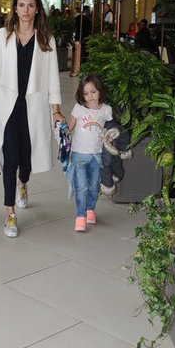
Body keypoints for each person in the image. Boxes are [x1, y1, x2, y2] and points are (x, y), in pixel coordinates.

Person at [0, 0, 65, 238]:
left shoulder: (45, 38)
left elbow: (53, 77)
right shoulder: (3, 36)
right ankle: (10, 213)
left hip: (33, 107)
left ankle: (23, 182)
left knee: (26, 159)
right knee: (10, 158)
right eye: (21, 5)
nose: (25, 10)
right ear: (14, 8)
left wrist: (56, 110)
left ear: (37, 9)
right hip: (8, 107)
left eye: (30, 5)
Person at [66, 74, 112, 232]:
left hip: (97, 155)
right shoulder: (79, 108)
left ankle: (90, 209)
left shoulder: (106, 110)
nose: (90, 96)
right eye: (86, 93)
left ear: (100, 90)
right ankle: (80, 216)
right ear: (81, 95)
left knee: (93, 185)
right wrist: (61, 132)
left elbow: (110, 130)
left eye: (93, 92)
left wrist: (111, 138)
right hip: (79, 154)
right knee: (81, 186)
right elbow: (69, 127)